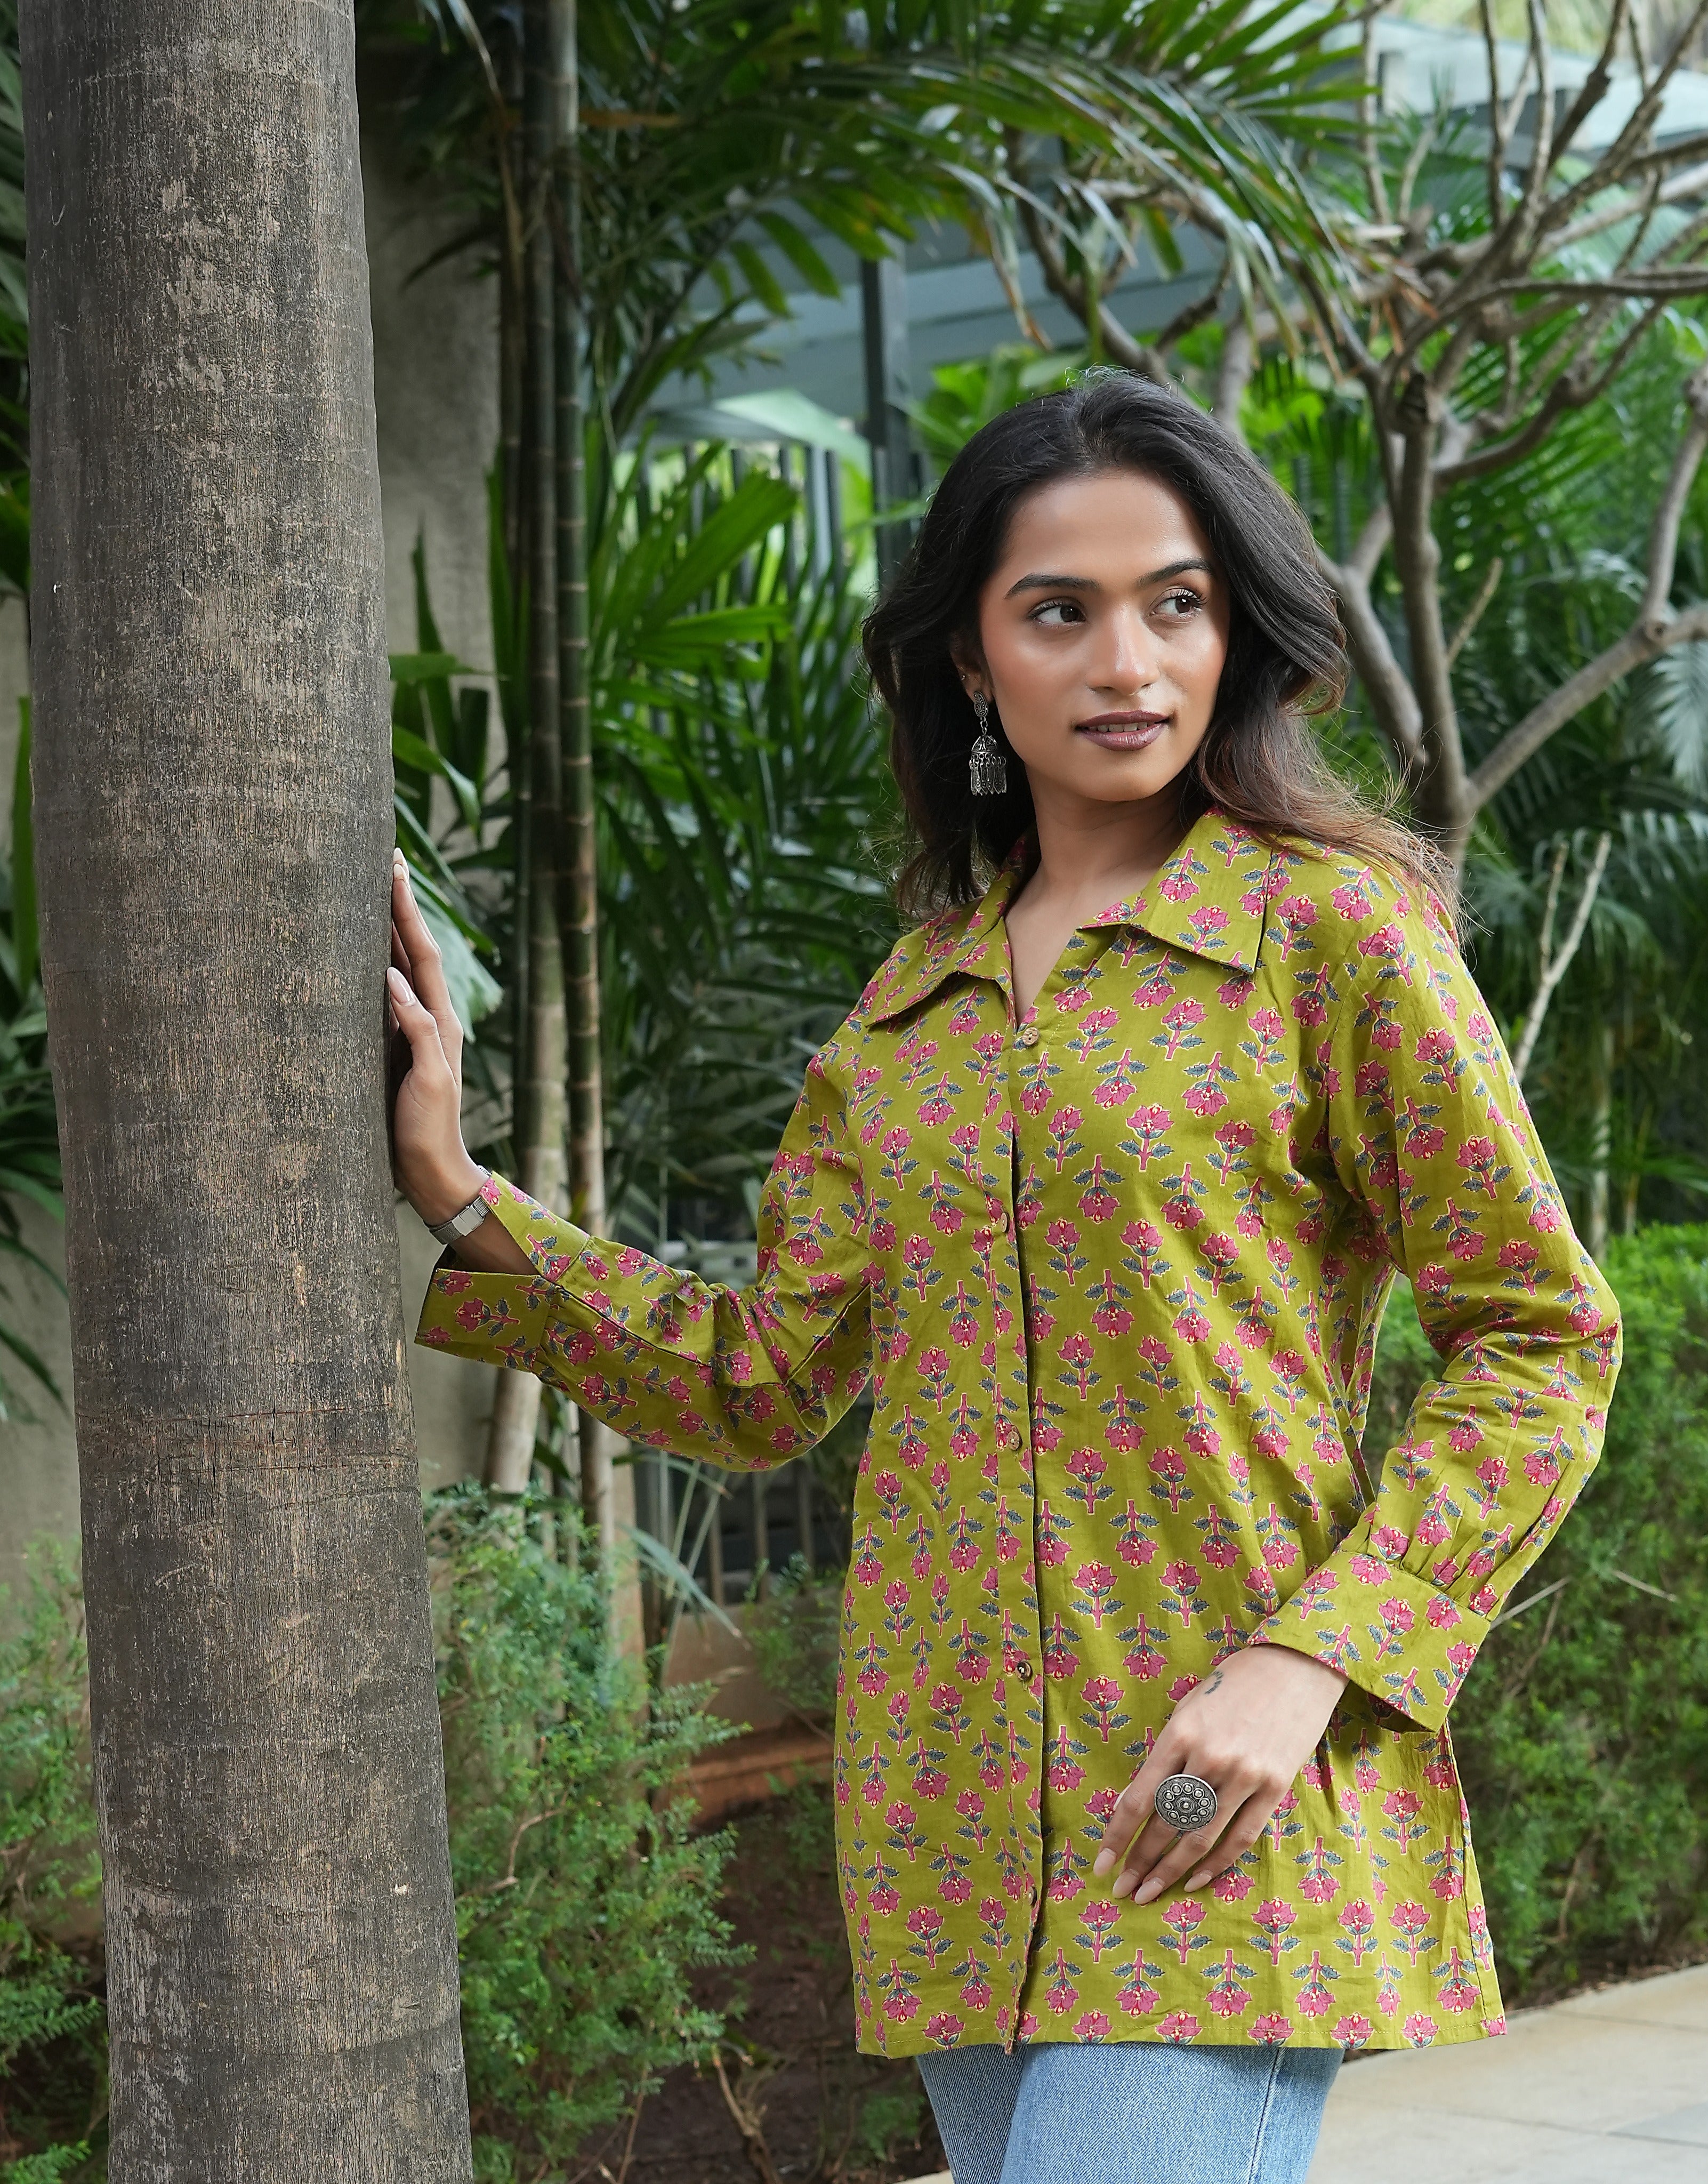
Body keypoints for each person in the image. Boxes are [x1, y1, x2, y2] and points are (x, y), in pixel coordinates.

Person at [387, 372, 1621, 2184]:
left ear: (1235, 633)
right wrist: (457, 1191)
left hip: (1225, 1801)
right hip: (953, 1819)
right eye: (1060, 611)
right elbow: (758, 1376)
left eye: (1174, 603)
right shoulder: (904, 1020)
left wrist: (1309, 1663)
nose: (1126, 659)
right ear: (971, 662)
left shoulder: (1328, 933)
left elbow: (1539, 1337)